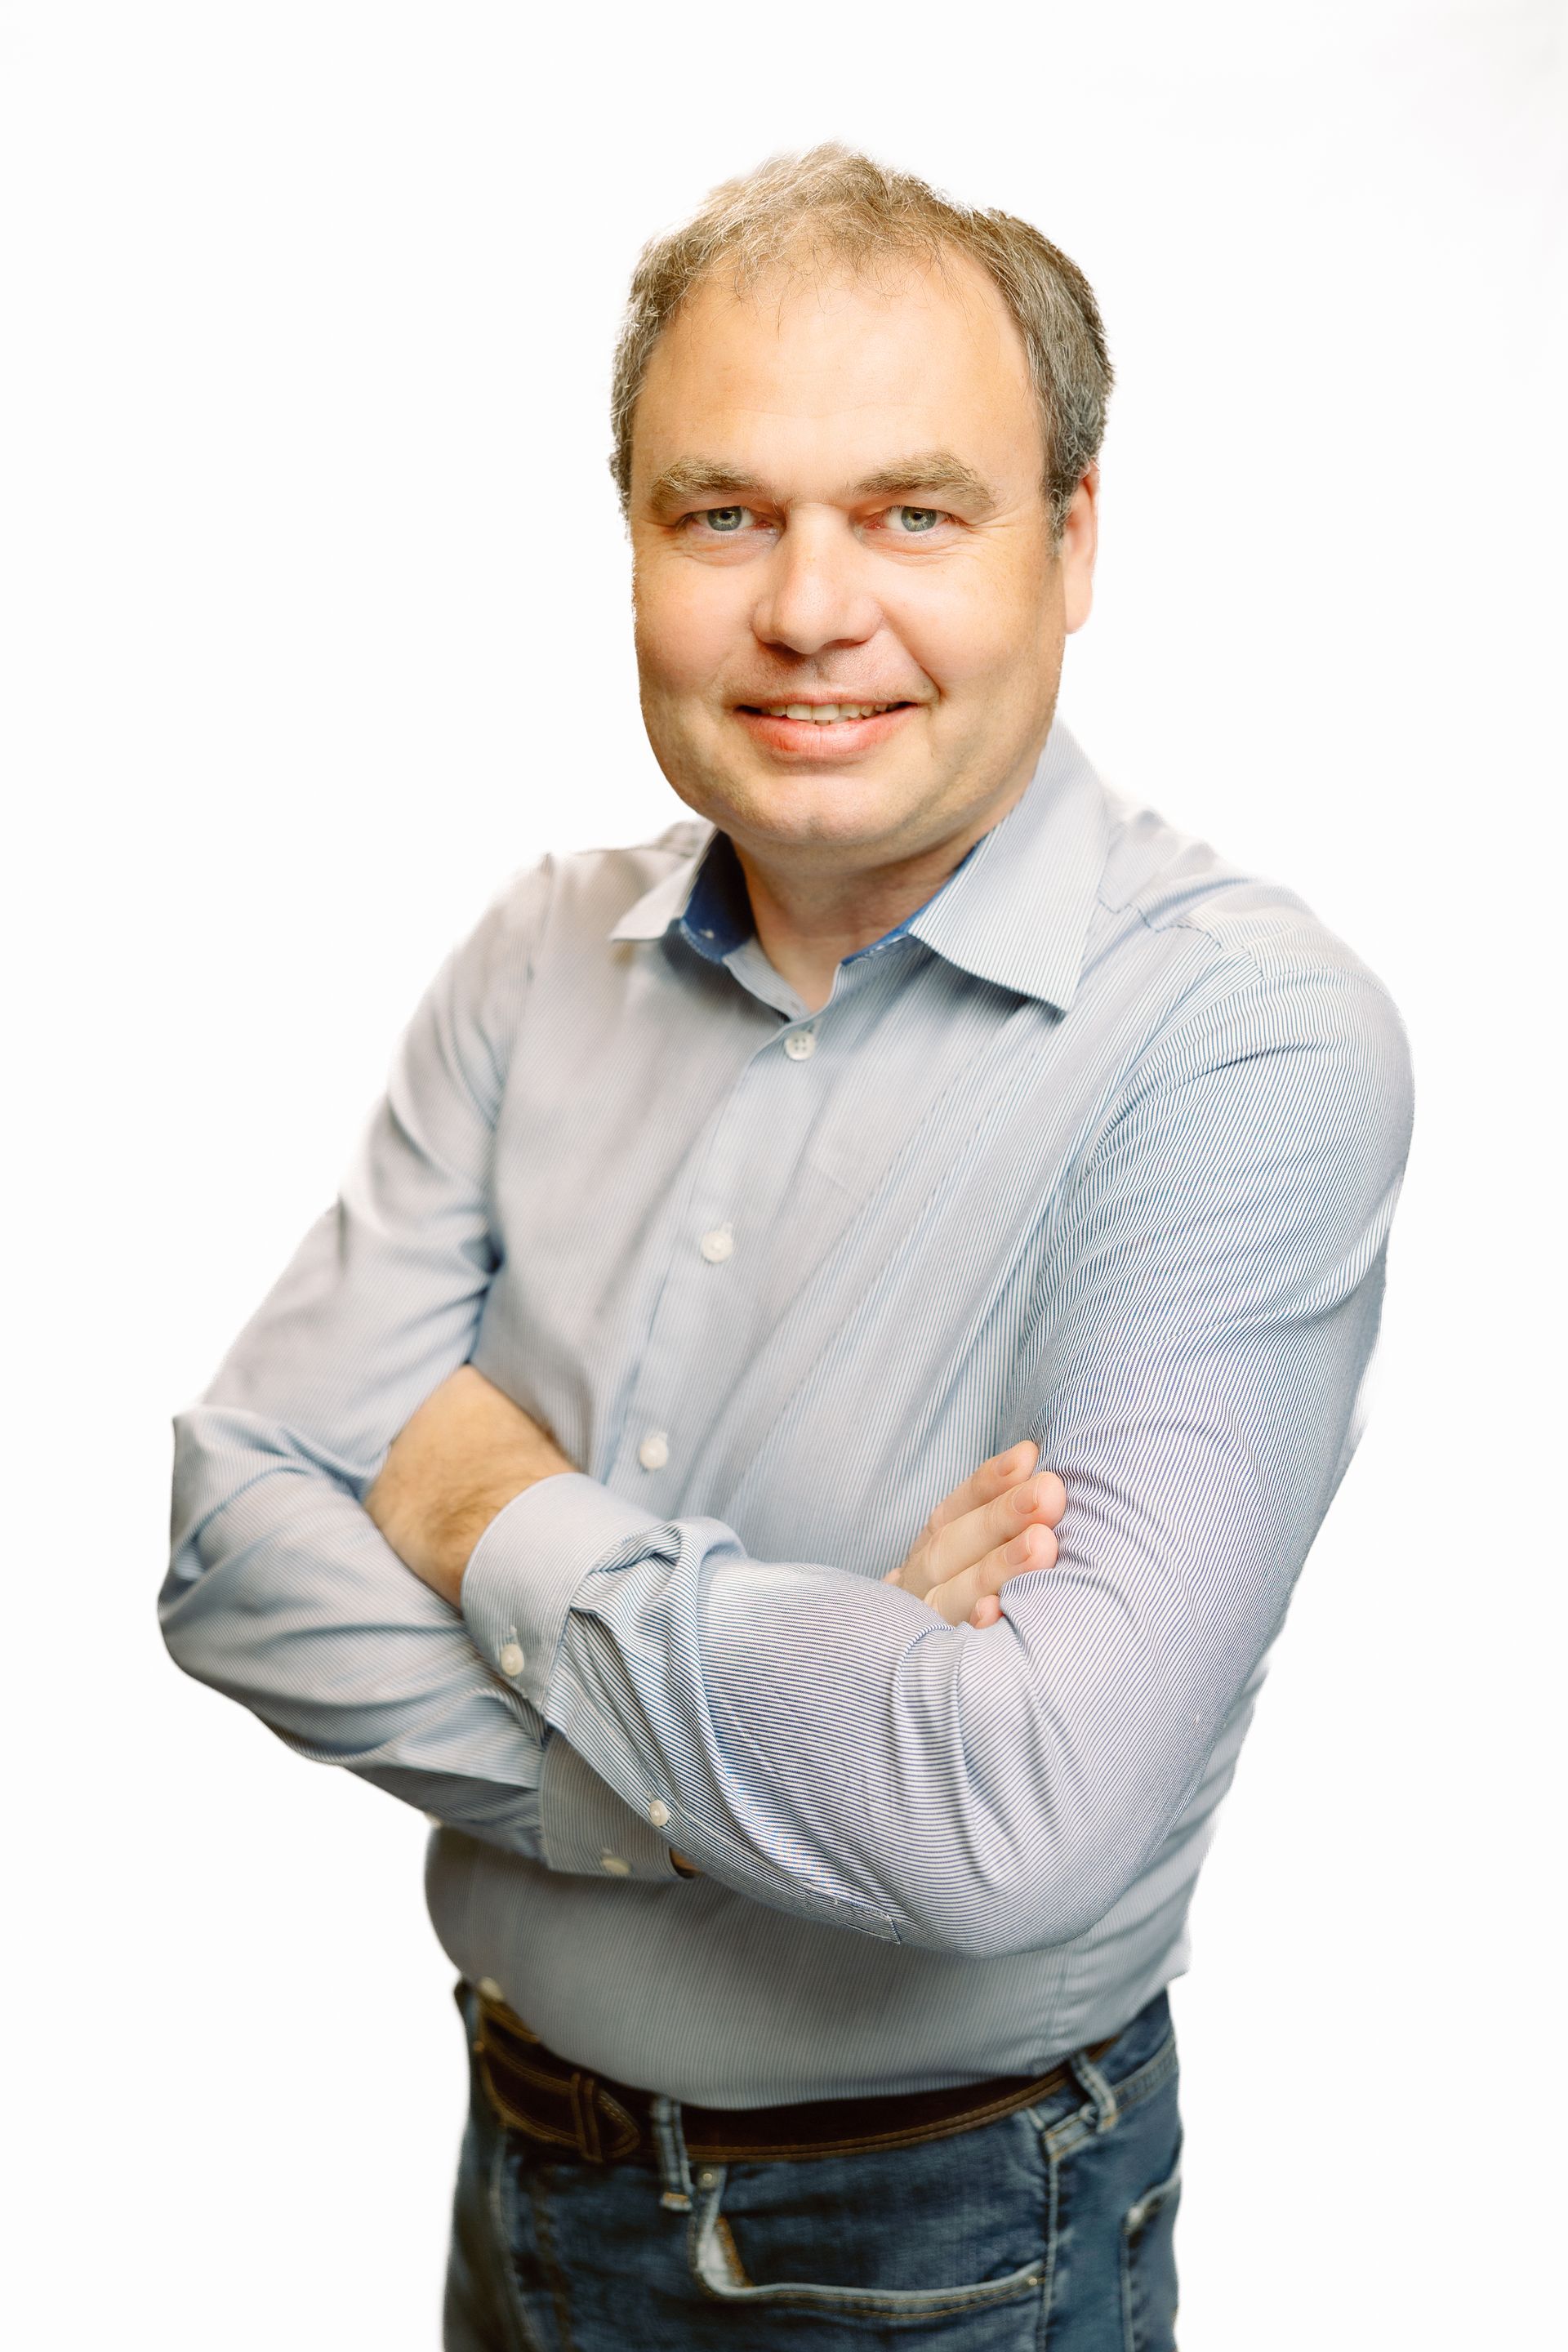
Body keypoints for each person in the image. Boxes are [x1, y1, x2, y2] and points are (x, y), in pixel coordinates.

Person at [162, 144, 1413, 2350]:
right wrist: (758, 1714)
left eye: (913, 513)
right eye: (721, 512)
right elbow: (233, 1542)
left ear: (1074, 540)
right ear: (633, 538)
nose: (812, 609)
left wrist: (489, 1508)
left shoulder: (1242, 1045)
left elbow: (1006, 1811)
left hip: (944, 2250)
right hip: (520, 2173)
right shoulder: (540, 957)